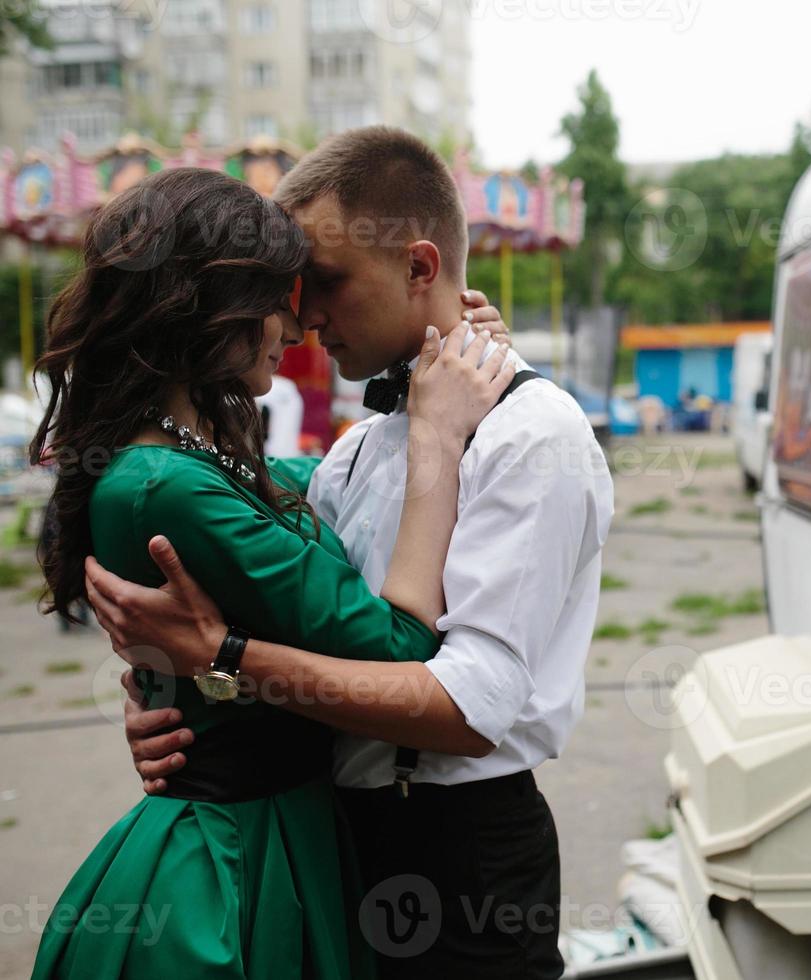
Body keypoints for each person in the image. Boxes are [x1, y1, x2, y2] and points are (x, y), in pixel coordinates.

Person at [86, 126, 615, 979]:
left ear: (419, 267)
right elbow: (294, 599)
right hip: (335, 830)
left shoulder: (533, 435)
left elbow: (467, 712)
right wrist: (183, 706)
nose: (300, 318)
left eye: (323, 282)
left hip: (456, 850)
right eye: (287, 290)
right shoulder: (360, 449)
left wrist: (225, 659)